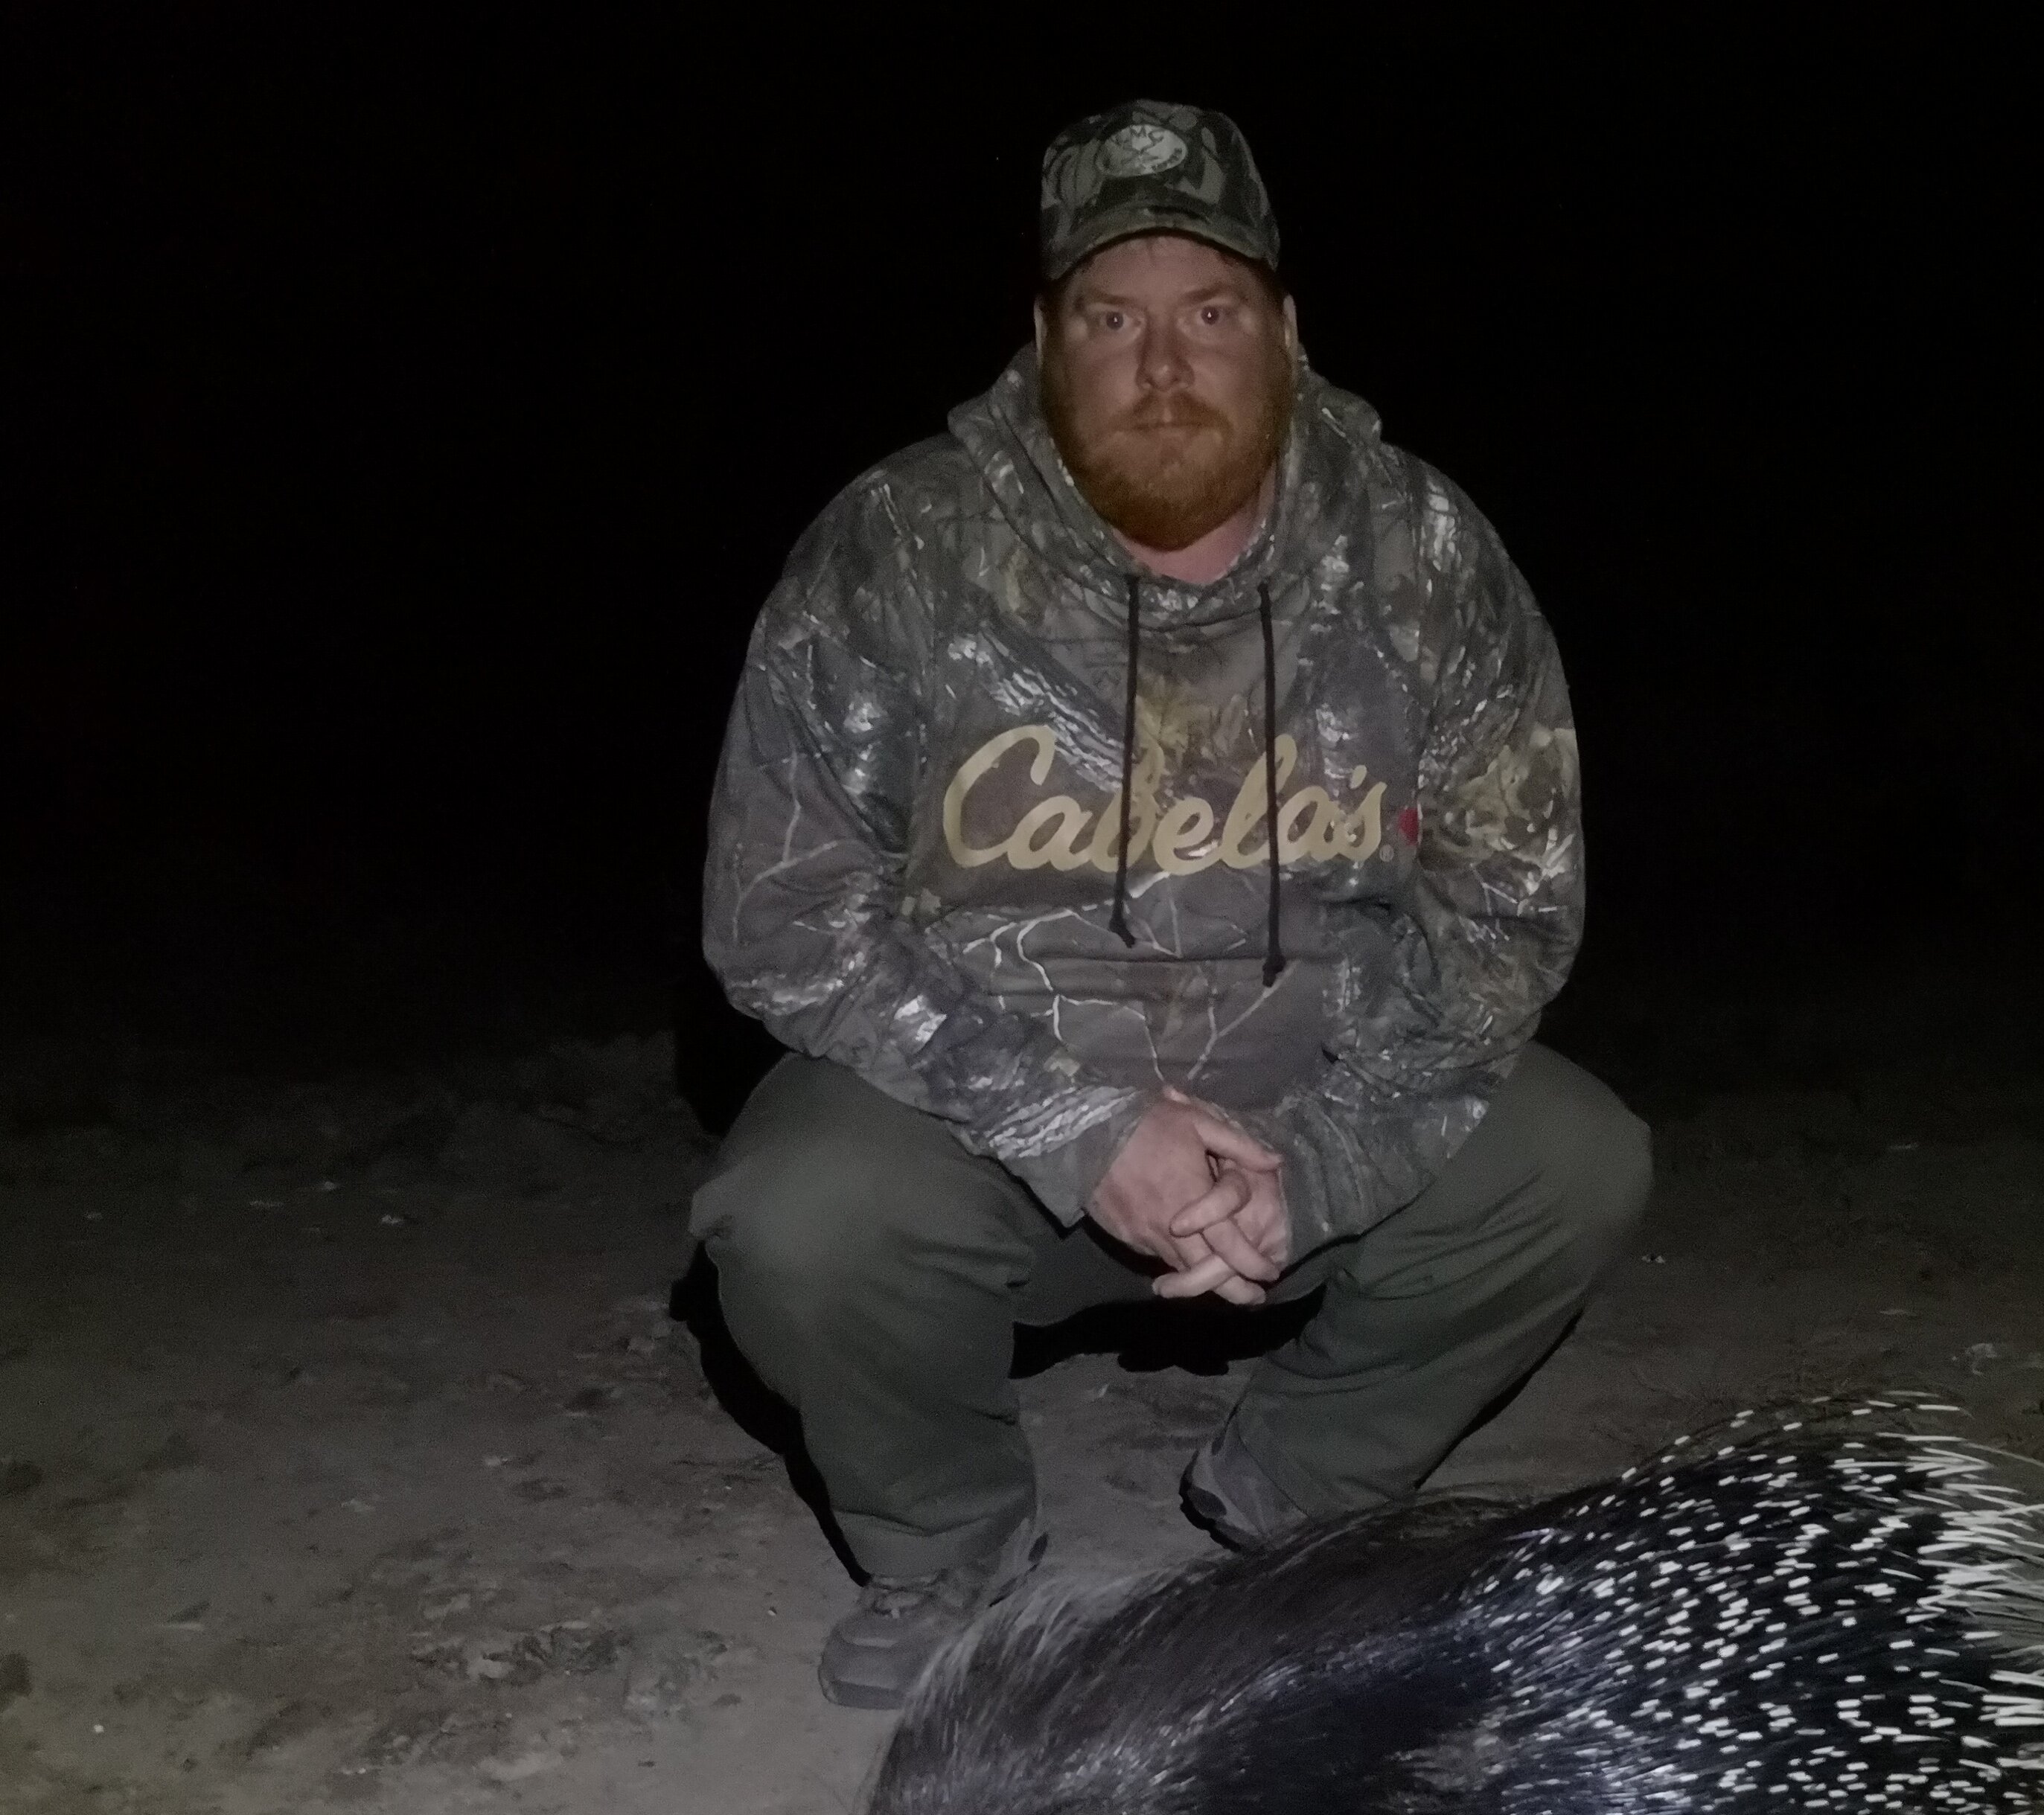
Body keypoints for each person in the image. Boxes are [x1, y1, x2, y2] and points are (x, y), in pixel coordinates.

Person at [691, 99, 1649, 1706]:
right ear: (1046, 343)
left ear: (1283, 331)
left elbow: (1505, 907)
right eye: (1110, 320)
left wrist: (1335, 1159)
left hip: (1317, 1093)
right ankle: (952, 1564)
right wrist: (1076, 1127)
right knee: (796, 1214)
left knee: (1573, 1159)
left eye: (1208, 315)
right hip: (989, 1112)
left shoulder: (1423, 550)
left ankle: (1298, 1505)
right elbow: (781, 913)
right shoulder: (896, 550)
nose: (1161, 366)